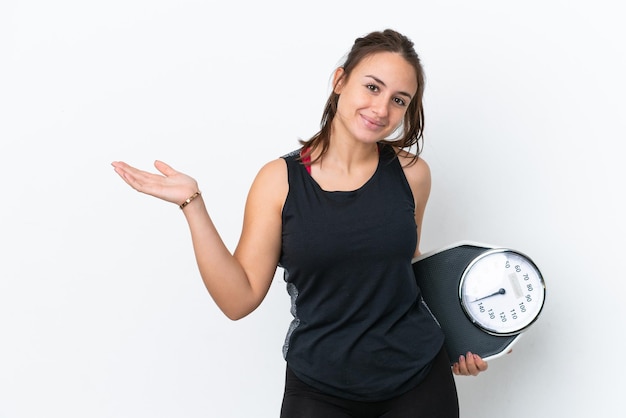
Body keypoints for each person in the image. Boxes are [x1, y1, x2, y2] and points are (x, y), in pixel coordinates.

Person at [112, 28, 488, 418]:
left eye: (398, 100)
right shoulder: (278, 180)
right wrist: (192, 204)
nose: (381, 110)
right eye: (372, 87)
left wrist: (462, 337)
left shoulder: (412, 174)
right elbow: (238, 299)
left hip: (419, 381)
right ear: (340, 81)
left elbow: (409, 268)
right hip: (320, 389)